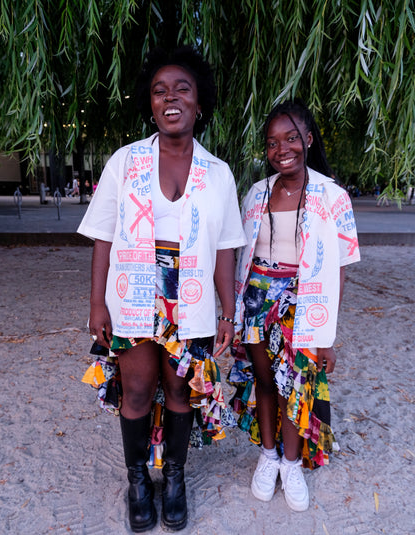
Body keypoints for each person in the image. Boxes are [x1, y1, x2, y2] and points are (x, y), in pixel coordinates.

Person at [77, 46, 246, 533]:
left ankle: (173, 478)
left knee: (179, 386)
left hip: (190, 289)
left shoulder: (218, 173)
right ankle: (137, 481)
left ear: (198, 103)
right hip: (133, 286)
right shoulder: (125, 162)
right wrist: (95, 304)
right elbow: (104, 235)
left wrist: (228, 313)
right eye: (159, 90)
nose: (170, 97)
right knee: (136, 388)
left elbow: (225, 250)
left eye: (182, 89)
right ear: (150, 104)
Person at [228, 98, 360, 512]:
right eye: (271, 142)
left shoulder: (332, 196)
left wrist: (327, 336)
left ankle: (291, 463)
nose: (281, 148)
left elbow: (339, 269)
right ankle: (267, 457)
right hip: (256, 301)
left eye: (290, 138)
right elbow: (238, 256)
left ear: (308, 138)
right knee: (265, 383)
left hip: (302, 303)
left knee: (294, 387)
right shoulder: (255, 193)